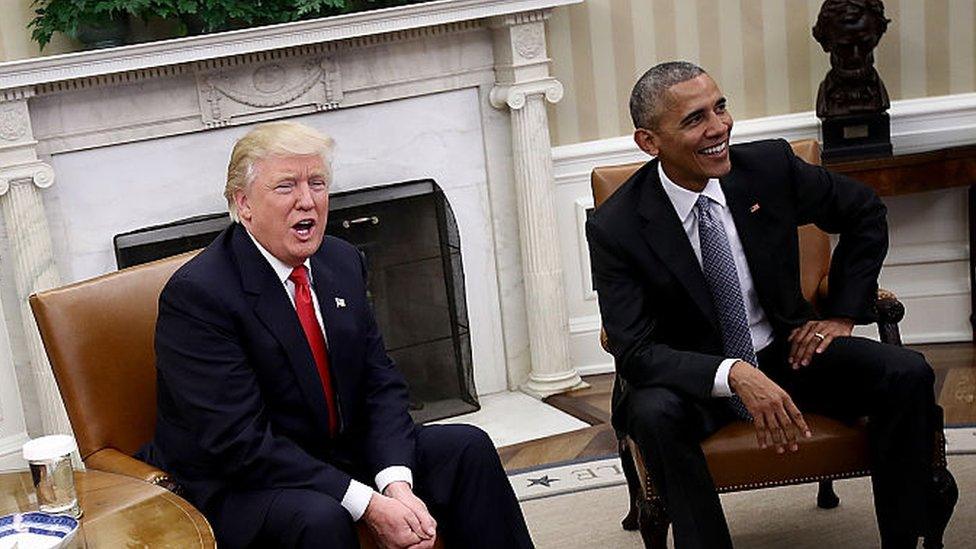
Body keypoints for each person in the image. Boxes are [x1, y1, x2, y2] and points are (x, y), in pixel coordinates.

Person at [586, 61, 942, 548]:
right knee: (652, 413)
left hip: (786, 352)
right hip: (690, 381)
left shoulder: (768, 168)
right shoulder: (616, 227)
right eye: (695, 119)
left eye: (721, 107)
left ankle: (908, 539)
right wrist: (732, 373)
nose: (719, 128)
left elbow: (864, 210)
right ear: (650, 142)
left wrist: (840, 314)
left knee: (908, 373)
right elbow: (636, 352)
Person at [139, 121, 533, 549]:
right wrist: (366, 503)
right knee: (320, 517)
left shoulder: (340, 261)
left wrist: (396, 483)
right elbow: (239, 444)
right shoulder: (199, 295)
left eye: (317, 183)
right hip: (241, 483)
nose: (307, 201)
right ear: (244, 204)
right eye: (286, 186)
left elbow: (380, 384)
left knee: (465, 448)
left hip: (332, 453)